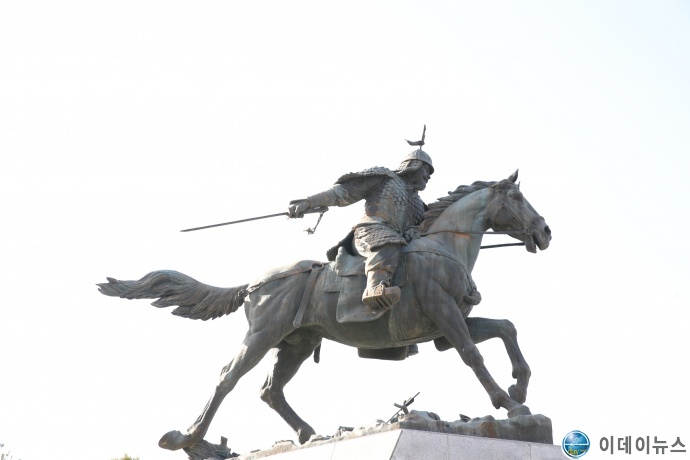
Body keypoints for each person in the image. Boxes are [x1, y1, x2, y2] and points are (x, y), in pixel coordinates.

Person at [288, 143, 433, 311]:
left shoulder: (420, 205)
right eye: (426, 170)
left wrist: (414, 231)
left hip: (400, 240)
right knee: (388, 242)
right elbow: (341, 193)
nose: (428, 176)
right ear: (414, 165)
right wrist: (308, 202)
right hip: (371, 230)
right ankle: (374, 288)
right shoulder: (385, 177)